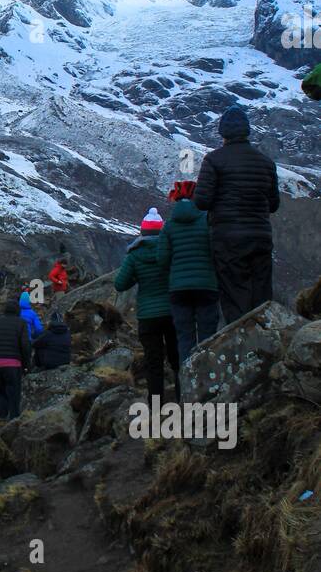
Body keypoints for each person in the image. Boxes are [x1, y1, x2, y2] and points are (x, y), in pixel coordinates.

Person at [192, 106, 280, 325]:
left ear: (222, 133)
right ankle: (266, 344)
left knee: (234, 294)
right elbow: (274, 204)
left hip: (228, 239)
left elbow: (202, 202)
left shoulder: (213, 160)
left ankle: (241, 346)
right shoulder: (266, 162)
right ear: (247, 131)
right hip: (260, 236)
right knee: (261, 294)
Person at [114, 207, 180, 409]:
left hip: (148, 315)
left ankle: (156, 407)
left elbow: (120, 284)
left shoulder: (135, 255)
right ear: (161, 231)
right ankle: (184, 399)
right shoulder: (170, 250)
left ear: (142, 231)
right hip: (172, 312)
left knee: (154, 362)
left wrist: (137, 275)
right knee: (177, 358)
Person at [156, 181, 219, 364]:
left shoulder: (168, 226)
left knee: (185, 337)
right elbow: (216, 249)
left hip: (179, 289)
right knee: (209, 335)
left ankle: (188, 381)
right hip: (207, 285)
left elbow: (162, 259)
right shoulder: (207, 219)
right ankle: (210, 379)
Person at [0, 299, 32, 419]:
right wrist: (26, 364)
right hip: (13, 364)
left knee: (1, 392)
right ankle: (13, 420)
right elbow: (25, 345)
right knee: (14, 393)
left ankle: (2, 417)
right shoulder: (21, 323)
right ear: (18, 311)